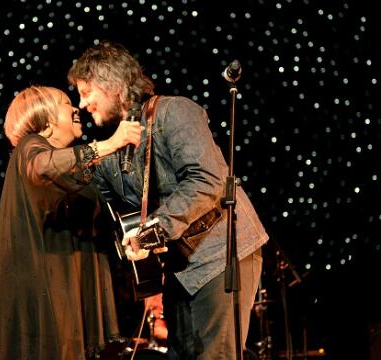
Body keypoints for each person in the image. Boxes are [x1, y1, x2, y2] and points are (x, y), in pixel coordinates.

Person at [68, 41, 269, 359]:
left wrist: (154, 230)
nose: (81, 103)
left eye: (85, 91)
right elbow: (97, 202)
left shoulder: (175, 112)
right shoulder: (113, 149)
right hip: (180, 265)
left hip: (221, 252)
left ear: (113, 86)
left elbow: (207, 180)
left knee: (215, 355)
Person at [0, 85, 143, 360]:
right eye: (66, 103)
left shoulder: (74, 171)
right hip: (37, 289)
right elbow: (43, 166)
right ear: (46, 118)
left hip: (65, 284)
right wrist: (110, 144)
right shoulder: (30, 148)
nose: (76, 108)